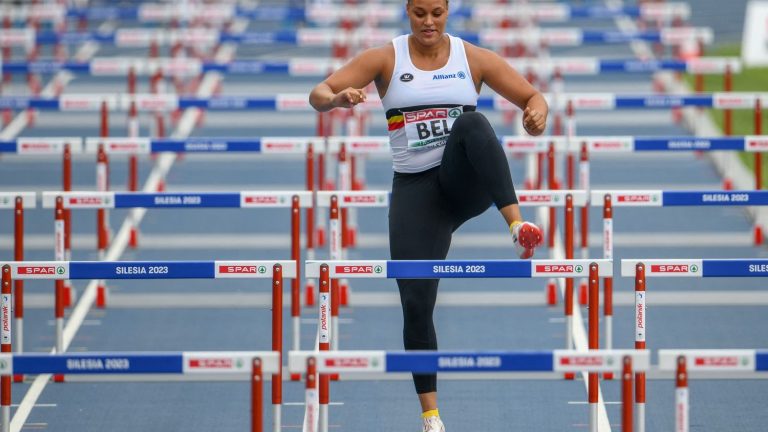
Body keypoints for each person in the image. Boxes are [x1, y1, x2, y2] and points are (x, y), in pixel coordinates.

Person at [309, 0, 547, 430]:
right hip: (416, 193)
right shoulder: (385, 58)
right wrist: (338, 99)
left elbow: (532, 95)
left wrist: (536, 115)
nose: (429, 22)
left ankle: (516, 225)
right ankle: (432, 416)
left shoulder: (471, 58)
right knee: (416, 303)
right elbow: (318, 94)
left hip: (461, 183)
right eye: (420, 13)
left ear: (448, 11)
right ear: (408, 12)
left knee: (473, 126)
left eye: (437, 12)